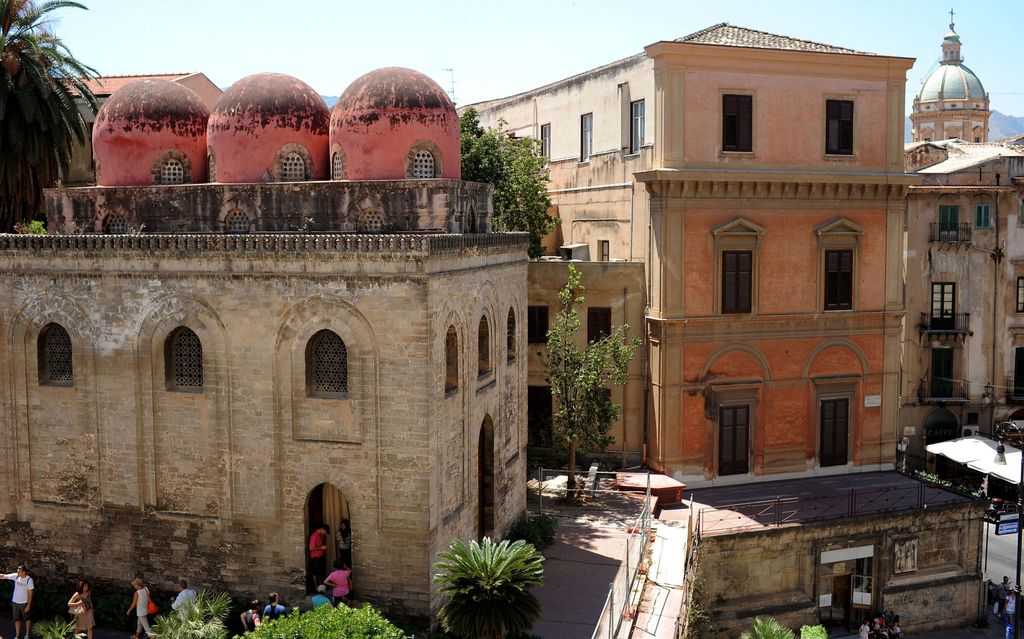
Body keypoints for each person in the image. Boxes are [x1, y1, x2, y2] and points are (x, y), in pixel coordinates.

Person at [2, 564, 34, 639]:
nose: (17, 572)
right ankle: (17, 635)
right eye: (17, 570)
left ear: (23, 572)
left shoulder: (29, 580)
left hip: (24, 603)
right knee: (16, 619)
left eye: (18, 571)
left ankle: (27, 634)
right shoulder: (16, 576)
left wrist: (28, 605)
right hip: (15, 602)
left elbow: (30, 594)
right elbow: (4, 576)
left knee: (27, 619)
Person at [309, 524, 329, 589]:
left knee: (320, 572)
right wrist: (321, 547)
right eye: (325, 532)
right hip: (315, 558)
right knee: (315, 572)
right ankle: (316, 587)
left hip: (320, 557)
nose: (325, 534)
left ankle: (320, 586)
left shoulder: (320, 535)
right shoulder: (314, 536)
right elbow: (311, 548)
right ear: (322, 529)